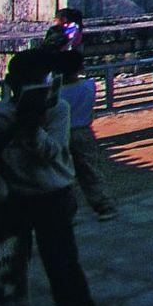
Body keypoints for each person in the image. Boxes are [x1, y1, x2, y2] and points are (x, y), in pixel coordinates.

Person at [0, 49, 110, 306]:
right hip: (15, 196)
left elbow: (51, 151)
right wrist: (17, 122)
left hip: (53, 196)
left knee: (63, 263)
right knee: (12, 264)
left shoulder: (58, 111)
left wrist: (32, 127)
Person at [51, 37, 117, 221]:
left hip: (60, 132)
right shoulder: (89, 86)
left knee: (61, 171)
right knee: (89, 170)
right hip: (83, 131)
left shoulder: (55, 91)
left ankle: (65, 211)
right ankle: (103, 205)